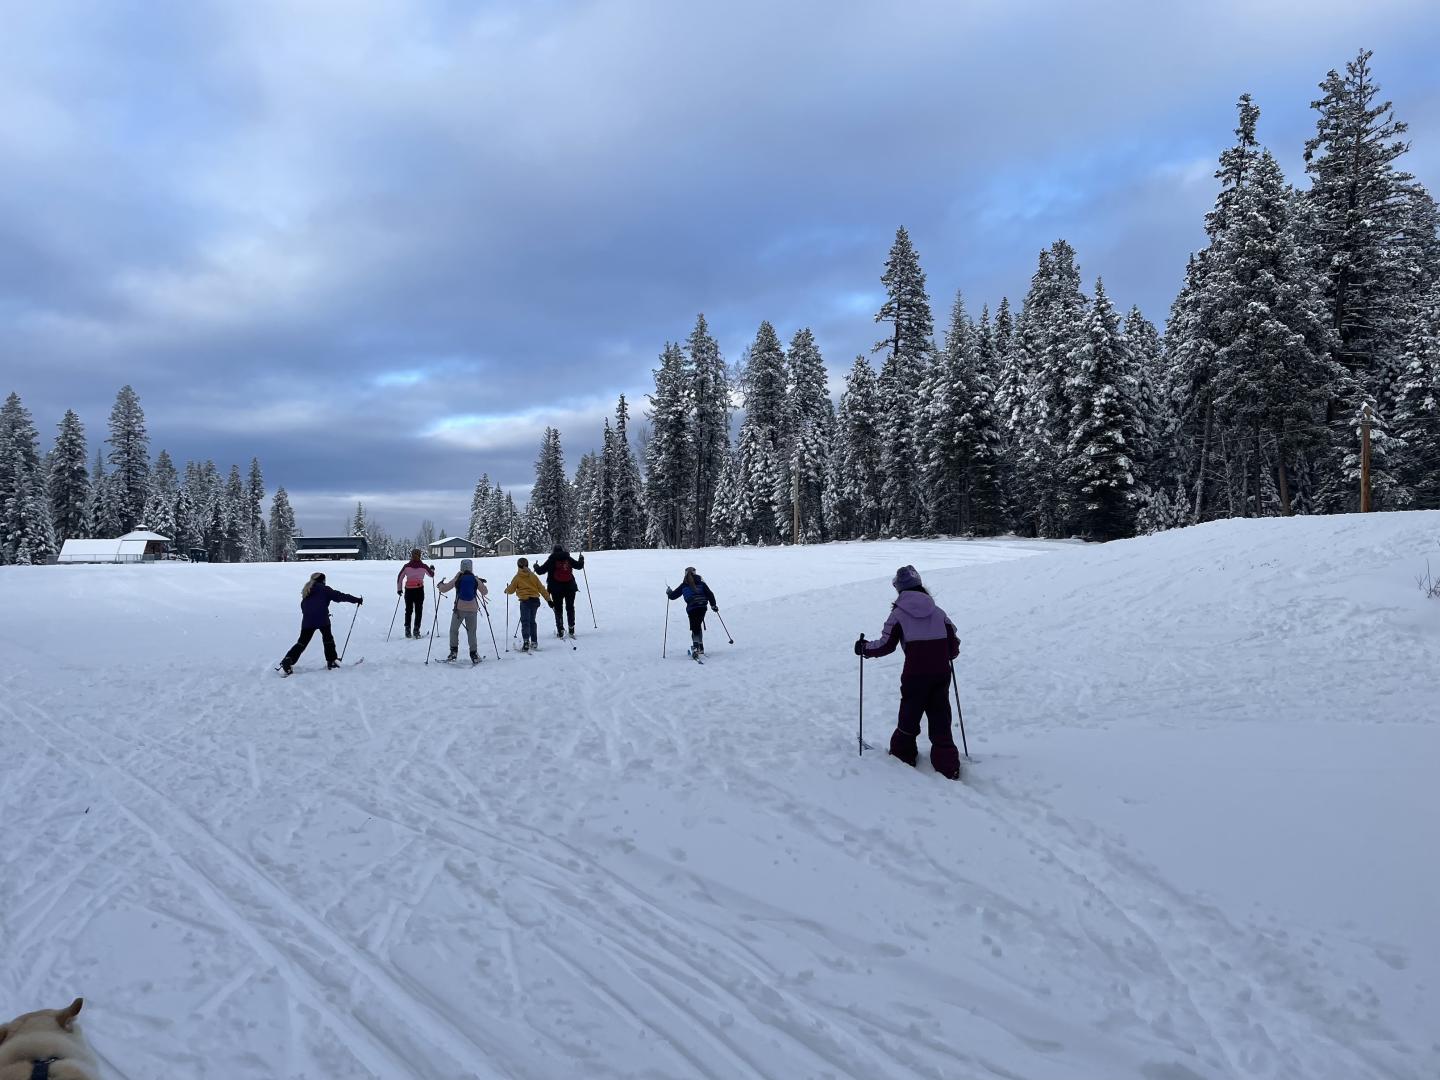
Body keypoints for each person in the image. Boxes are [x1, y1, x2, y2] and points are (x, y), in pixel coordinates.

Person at [855, 565, 961, 780]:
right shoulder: (939, 613)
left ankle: (903, 756)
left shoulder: (899, 614)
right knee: (940, 715)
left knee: (910, 715)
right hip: (941, 672)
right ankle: (948, 765)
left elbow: (886, 645)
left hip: (915, 674)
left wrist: (864, 648)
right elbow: (954, 646)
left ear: (899, 590)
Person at [279, 572, 363, 674]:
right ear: (322, 580)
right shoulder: (325, 589)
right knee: (328, 640)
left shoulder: (307, 589)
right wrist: (356, 600)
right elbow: (339, 596)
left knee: (302, 642)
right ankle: (332, 661)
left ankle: (288, 659)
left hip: (307, 621)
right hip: (322, 619)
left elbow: (303, 605)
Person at [438, 558, 489, 663]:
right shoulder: (474, 578)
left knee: (453, 630)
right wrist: (479, 583)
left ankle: (453, 652)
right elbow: (485, 592)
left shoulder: (458, 577)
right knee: (472, 632)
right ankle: (474, 654)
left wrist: (440, 585)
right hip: (473, 609)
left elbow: (445, 588)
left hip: (459, 609)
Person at [534, 545, 586, 639]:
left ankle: (560, 630)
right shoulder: (568, 558)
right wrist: (581, 559)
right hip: (570, 587)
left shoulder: (552, 559)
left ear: (553, 551)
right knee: (570, 607)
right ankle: (571, 628)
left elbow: (540, 571)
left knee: (558, 609)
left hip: (555, 589)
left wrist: (536, 566)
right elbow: (579, 566)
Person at [666, 566, 718, 659]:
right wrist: (713, 605)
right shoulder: (702, 583)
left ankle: (696, 647)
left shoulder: (684, 585)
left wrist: (669, 592)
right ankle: (701, 647)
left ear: (685, 574)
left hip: (692, 608)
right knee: (698, 625)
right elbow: (710, 594)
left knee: (695, 627)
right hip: (702, 607)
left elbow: (673, 596)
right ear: (695, 573)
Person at [503, 556, 552, 652]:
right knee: (532, 621)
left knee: (525, 621)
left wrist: (506, 590)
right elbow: (542, 589)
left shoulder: (517, 577)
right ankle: (534, 642)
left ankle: (526, 642)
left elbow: (511, 590)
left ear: (518, 566)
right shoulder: (533, 576)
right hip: (535, 601)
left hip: (525, 601)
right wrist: (549, 600)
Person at [396, 548, 436, 638]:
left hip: (409, 590)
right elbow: (431, 575)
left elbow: (400, 577)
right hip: (419, 590)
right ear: (420, 555)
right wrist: (432, 569)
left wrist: (399, 589)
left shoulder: (406, 566)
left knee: (408, 610)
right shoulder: (423, 566)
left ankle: (407, 630)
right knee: (418, 611)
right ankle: (416, 630)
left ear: (412, 556)